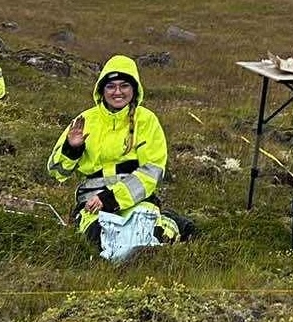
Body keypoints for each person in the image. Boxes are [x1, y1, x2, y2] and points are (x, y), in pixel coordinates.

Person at [47, 55, 189, 248]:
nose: (117, 92)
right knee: (100, 242)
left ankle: (170, 222)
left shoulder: (146, 120)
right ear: (101, 89)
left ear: (134, 89)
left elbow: (151, 171)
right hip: (92, 199)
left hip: (136, 199)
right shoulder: (85, 120)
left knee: (149, 238)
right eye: (111, 86)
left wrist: (111, 199)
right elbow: (56, 171)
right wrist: (72, 149)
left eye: (124, 86)